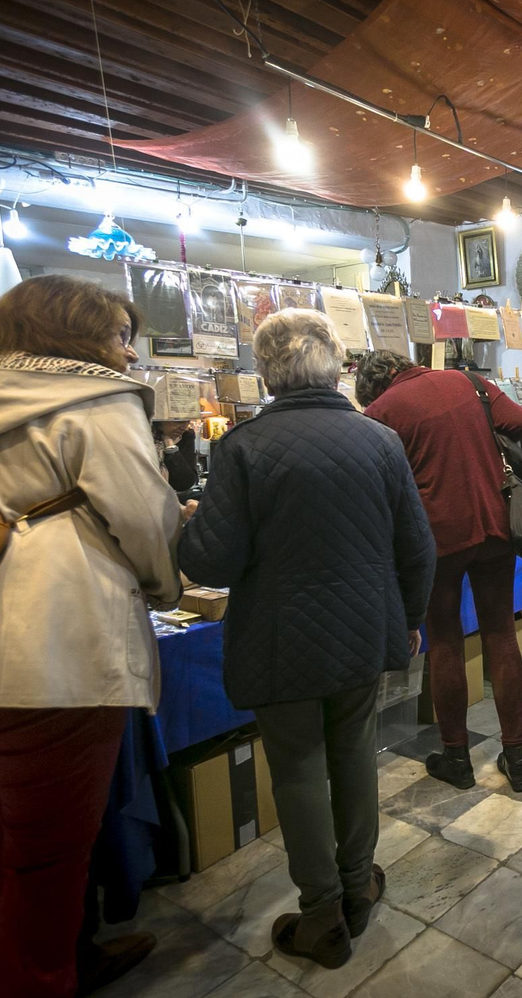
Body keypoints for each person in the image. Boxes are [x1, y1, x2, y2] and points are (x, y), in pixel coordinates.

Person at [0, 275, 187, 998]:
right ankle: (43, 975)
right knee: (44, 870)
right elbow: (147, 519)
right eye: (120, 336)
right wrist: (167, 588)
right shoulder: (95, 399)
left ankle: (76, 952)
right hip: (48, 655)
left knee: (30, 845)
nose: (128, 354)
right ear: (77, 334)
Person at [178, 312, 435, 971]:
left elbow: (209, 562)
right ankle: (357, 889)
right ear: (337, 363)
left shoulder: (243, 448)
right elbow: (418, 546)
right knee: (353, 754)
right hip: (361, 632)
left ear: (266, 370)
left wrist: (181, 524)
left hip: (277, 638)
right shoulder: (379, 440)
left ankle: (321, 912)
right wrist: (407, 618)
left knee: (297, 767)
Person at [355, 349, 522, 793]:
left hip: (438, 538)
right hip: (496, 521)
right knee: (501, 632)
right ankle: (517, 757)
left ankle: (456, 756)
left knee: (446, 642)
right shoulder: (467, 382)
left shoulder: (381, 412)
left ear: (374, 387)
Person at [152, 420, 199, 497]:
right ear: (160, 421)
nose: (185, 427)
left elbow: (186, 482)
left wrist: (170, 445)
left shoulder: (186, 436)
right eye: (179, 421)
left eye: (188, 422)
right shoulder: (143, 437)